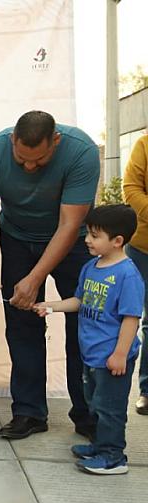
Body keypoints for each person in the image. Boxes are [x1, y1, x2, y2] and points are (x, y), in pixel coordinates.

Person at [0, 111, 99, 440]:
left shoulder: (81, 151)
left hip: (73, 244)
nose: (29, 167)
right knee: (22, 324)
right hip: (16, 239)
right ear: (12, 140)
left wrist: (34, 277)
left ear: (55, 142)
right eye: (21, 159)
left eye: (39, 160)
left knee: (82, 324)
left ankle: (87, 414)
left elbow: (70, 224)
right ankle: (29, 412)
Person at [35, 204, 143, 475]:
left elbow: (131, 318)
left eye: (95, 235)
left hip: (112, 357)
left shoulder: (127, 275)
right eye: (88, 233)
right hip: (91, 353)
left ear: (117, 241)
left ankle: (113, 457)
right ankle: (100, 446)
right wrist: (50, 306)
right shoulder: (90, 267)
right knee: (95, 403)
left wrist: (120, 354)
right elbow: (80, 301)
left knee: (111, 409)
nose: (87, 240)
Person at [122, 134, 148, 415]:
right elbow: (131, 189)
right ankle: (147, 390)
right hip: (144, 247)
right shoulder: (144, 145)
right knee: (142, 319)